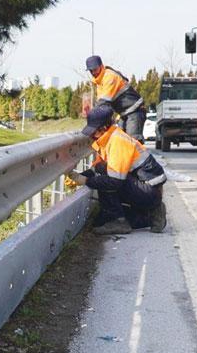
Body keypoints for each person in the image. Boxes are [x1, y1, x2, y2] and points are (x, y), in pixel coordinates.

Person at [67, 104, 167, 235]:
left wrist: (85, 180)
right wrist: (78, 176)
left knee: (106, 179)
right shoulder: (109, 137)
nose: (91, 135)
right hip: (146, 189)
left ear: (103, 128)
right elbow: (97, 167)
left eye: (93, 131)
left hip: (149, 191)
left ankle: (118, 221)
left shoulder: (117, 141)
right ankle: (152, 214)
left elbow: (114, 181)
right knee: (100, 220)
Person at [86, 55, 147, 143]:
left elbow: (103, 103)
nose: (93, 72)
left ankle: (140, 157)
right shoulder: (99, 82)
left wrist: (92, 122)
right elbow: (102, 107)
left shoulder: (109, 77)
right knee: (120, 141)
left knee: (133, 142)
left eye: (94, 69)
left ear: (101, 66)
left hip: (135, 111)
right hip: (125, 113)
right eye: (90, 71)